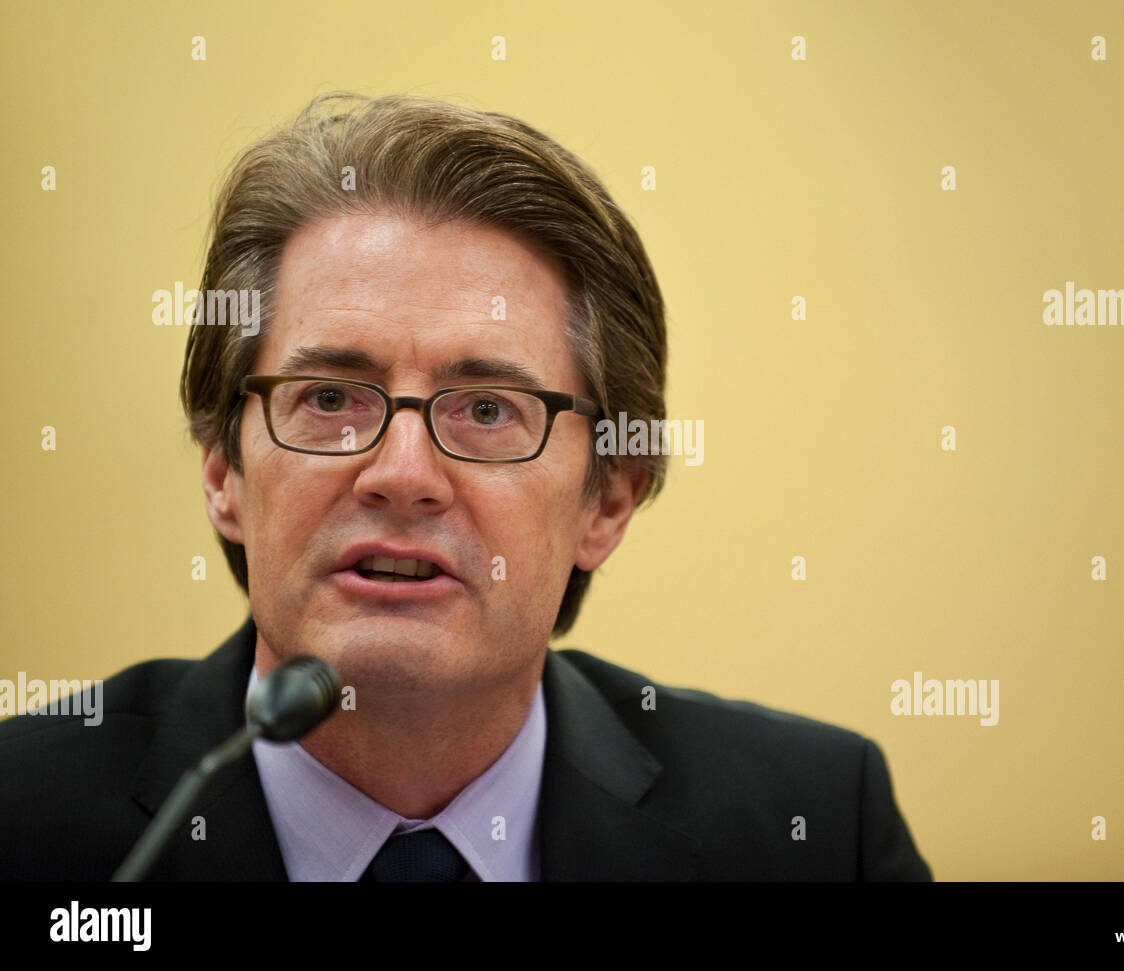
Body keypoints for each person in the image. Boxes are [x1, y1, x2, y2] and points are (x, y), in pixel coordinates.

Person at [0, 92, 931, 881]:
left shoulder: (808, 831)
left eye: (487, 410)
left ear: (606, 500)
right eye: (329, 398)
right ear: (224, 471)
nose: (402, 475)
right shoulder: (25, 818)